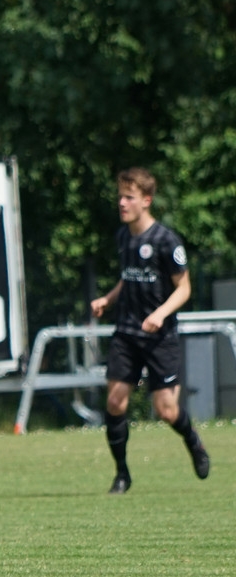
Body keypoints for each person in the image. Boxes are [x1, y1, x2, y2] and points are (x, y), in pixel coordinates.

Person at [90, 167, 209, 494]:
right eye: (120, 197)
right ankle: (122, 474)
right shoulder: (123, 237)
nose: (122, 203)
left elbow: (184, 288)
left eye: (129, 197)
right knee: (115, 401)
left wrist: (160, 313)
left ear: (146, 200)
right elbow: (128, 277)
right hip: (127, 332)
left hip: (160, 337)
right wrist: (108, 299)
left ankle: (194, 441)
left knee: (166, 410)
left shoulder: (166, 241)